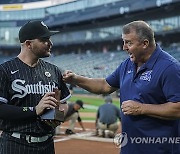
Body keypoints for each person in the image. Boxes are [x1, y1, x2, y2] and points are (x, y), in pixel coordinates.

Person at [63, 20, 180, 154]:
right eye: (124, 42)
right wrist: (76, 79)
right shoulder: (128, 64)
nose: (124, 47)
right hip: (129, 147)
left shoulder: (169, 67)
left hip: (159, 149)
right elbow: (104, 86)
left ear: (145, 44)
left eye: (129, 42)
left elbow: (178, 108)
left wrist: (142, 108)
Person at [0, 20, 71, 154]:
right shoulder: (5, 70)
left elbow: (63, 103)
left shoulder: (54, 70)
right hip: (15, 144)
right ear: (28, 44)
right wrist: (34, 110)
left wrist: (56, 116)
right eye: (44, 39)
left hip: (47, 145)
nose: (50, 43)